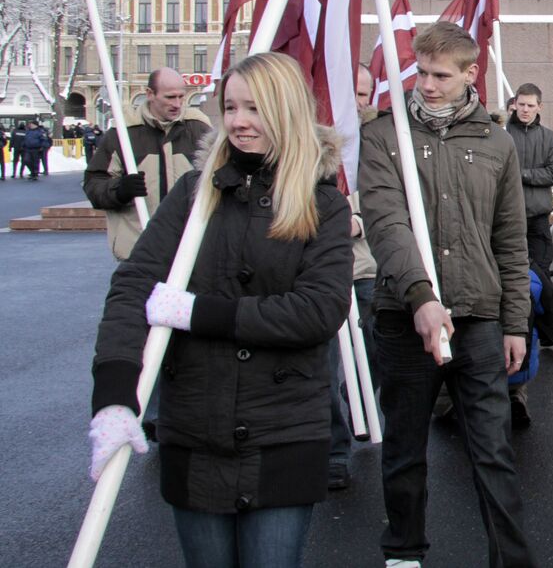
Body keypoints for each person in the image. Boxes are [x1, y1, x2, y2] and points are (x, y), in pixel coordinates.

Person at [88, 52, 354, 568]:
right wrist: (115, 395)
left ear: (286, 110)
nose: (238, 121)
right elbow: (133, 288)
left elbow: (320, 310)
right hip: (196, 428)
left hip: (284, 431)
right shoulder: (193, 194)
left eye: (254, 108)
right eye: (230, 107)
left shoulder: (323, 204)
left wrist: (197, 313)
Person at [358, 21, 535, 568]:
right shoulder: (385, 137)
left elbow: (510, 238)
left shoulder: (496, 141)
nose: (427, 85)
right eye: (421, 72)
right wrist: (419, 295)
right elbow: (387, 224)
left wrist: (514, 323)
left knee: (493, 452)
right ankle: (404, 553)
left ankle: (511, 560)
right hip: (404, 317)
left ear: (469, 74)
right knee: (406, 449)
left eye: (441, 75)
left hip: (479, 318)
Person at [326, 63, 384, 491]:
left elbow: (391, 195)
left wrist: (358, 221)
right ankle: (335, 447)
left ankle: (357, 406)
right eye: (352, 93)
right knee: (325, 364)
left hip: (365, 265)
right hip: (318, 271)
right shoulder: (311, 138)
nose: (358, 102)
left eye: (365, 94)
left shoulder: (378, 140)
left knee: (374, 352)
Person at [84, 68, 212, 261]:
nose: (177, 104)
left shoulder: (199, 129)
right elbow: (94, 183)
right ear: (150, 94)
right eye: (170, 97)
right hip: (139, 248)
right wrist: (119, 190)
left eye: (181, 97)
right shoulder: (123, 134)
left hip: (189, 249)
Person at [506, 83, 553, 277]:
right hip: (508, 213)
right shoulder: (502, 134)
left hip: (538, 214)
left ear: (539, 107)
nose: (525, 109)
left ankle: (540, 306)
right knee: (510, 267)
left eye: (530, 105)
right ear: (514, 104)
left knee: (541, 267)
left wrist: (521, 174)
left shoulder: (549, 138)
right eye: (521, 104)